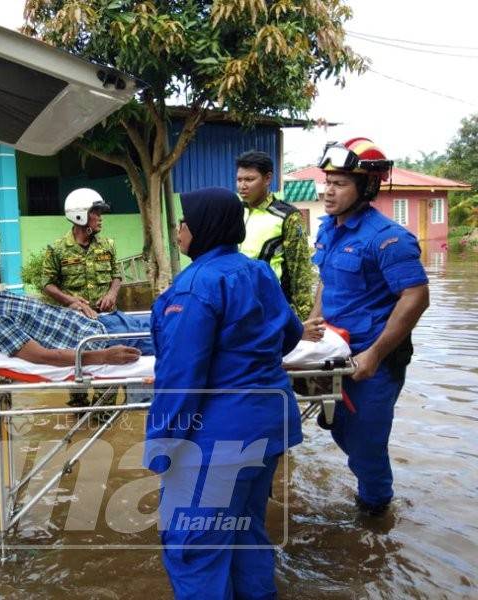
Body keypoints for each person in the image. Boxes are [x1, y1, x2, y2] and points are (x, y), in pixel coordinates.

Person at [145, 187, 304, 599]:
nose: (179, 229)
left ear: (203, 226)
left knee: (193, 545)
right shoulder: (259, 272)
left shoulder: (194, 286)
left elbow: (181, 379)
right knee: (245, 531)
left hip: (220, 437)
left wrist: (161, 444)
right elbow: (290, 334)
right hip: (268, 424)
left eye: (184, 221)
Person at [311, 137, 429, 516]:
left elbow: (416, 296)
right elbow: (326, 281)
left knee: (366, 444)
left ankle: (376, 513)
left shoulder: (387, 238)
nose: (328, 191)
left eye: (340, 183)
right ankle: (373, 493)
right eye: (327, 181)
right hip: (334, 353)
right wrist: (312, 325)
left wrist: (376, 354)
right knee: (341, 429)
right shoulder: (329, 229)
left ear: (366, 187)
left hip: (373, 362)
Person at [0, 271, 153, 366]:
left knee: (181, 320)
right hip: (108, 341)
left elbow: (42, 320)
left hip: (106, 323)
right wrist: (103, 356)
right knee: (186, 336)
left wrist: (71, 305)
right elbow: (42, 355)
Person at [236, 150, 315, 320]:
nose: (242, 185)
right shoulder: (234, 211)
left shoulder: (288, 216)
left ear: (267, 178)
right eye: (239, 179)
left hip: (271, 309)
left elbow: (300, 272)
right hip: (237, 305)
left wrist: (305, 320)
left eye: (249, 179)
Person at [42, 188, 122, 317]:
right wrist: (70, 300)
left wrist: (111, 295)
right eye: (96, 213)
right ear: (79, 215)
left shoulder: (108, 245)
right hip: (75, 319)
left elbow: (116, 275)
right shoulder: (56, 249)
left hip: (108, 317)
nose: (100, 219)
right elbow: (47, 284)